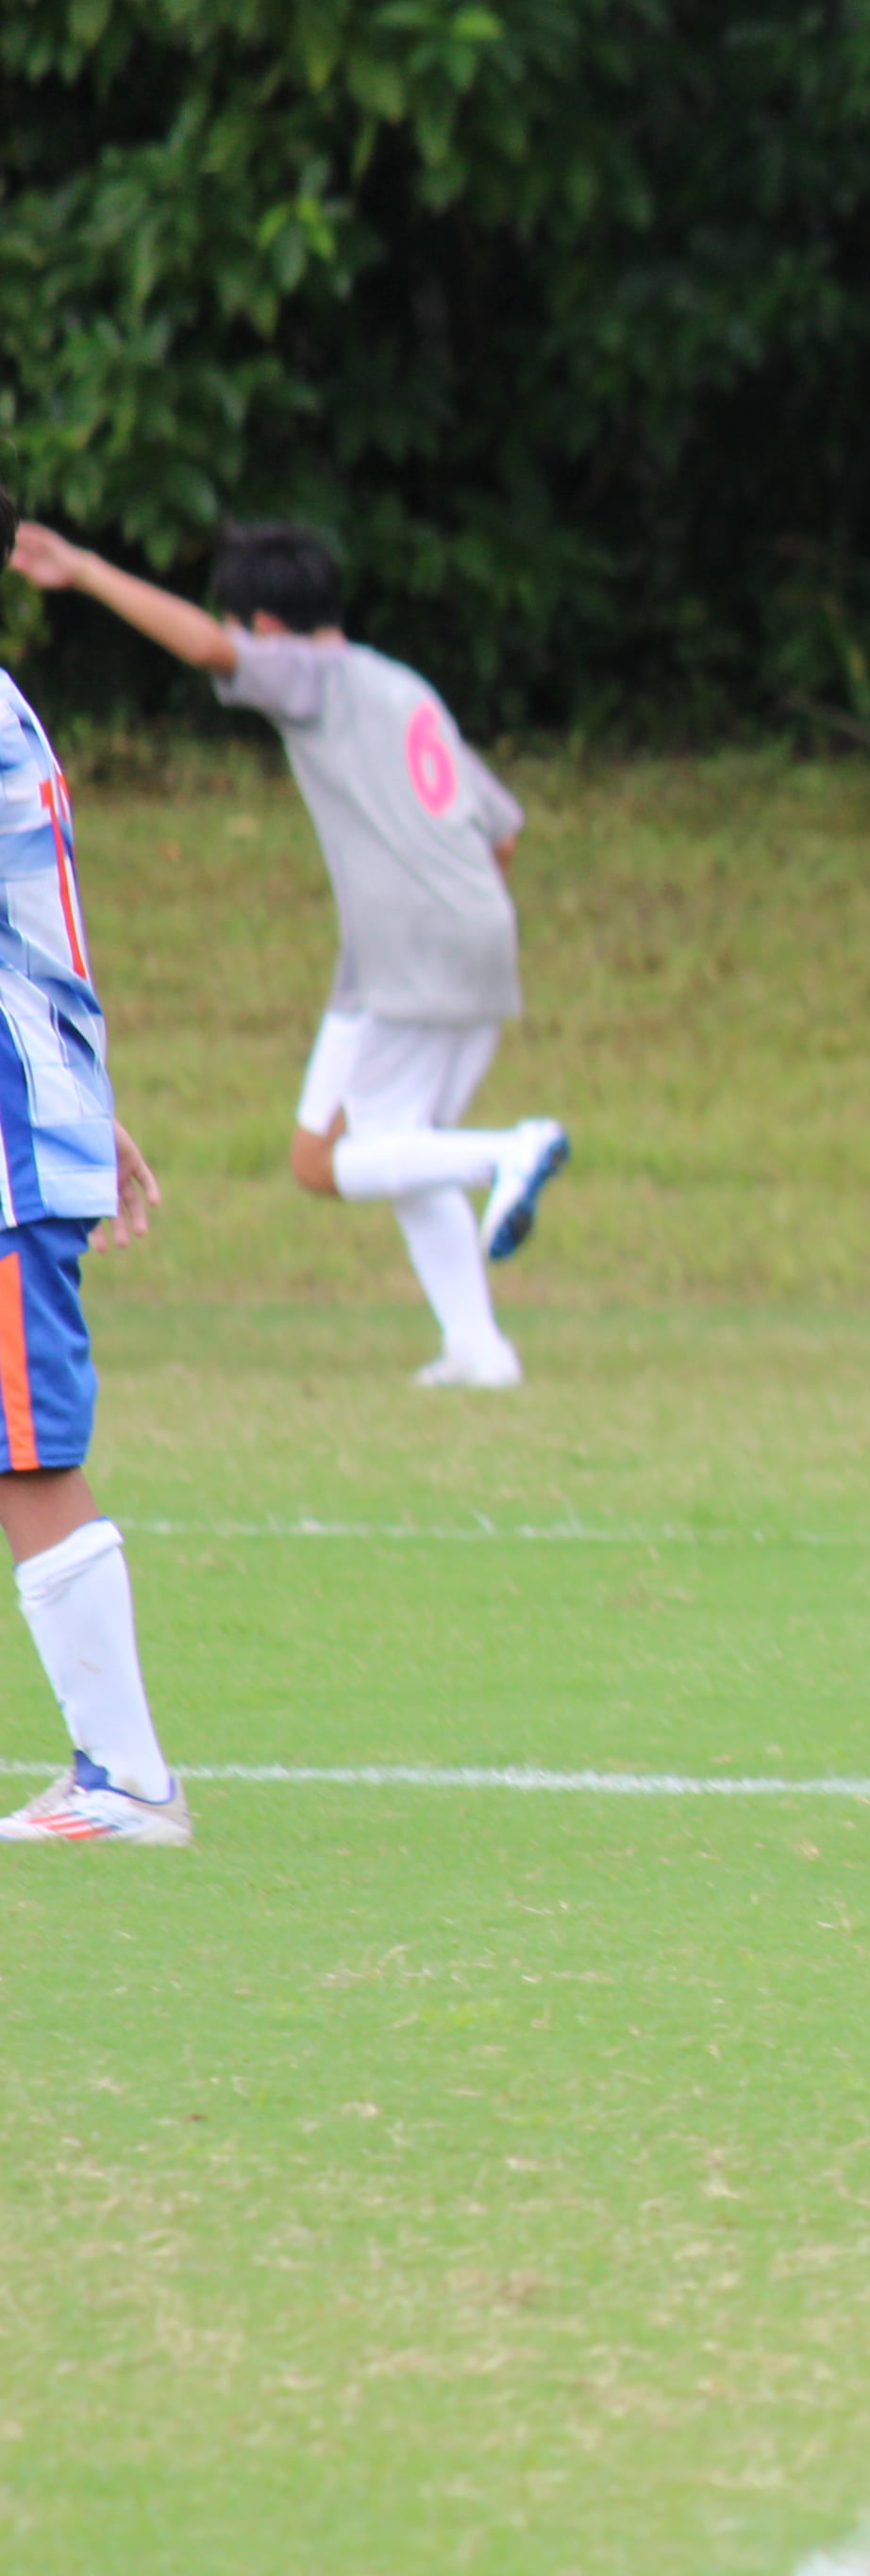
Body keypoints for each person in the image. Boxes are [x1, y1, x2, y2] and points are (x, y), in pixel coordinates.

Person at [7, 518, 567, 1389]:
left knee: (321, 1158)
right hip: (481, 930)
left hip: (404, 946)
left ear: (266, 626)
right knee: (399, 1145)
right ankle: (476, 1347)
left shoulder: (314, 673)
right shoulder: (402, 685)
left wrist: (83, 570)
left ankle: (506, 1154)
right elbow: (505, 831)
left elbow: (207, 647)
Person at [0, 597, 192, 1845]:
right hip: (34, 1105)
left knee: (26, 1455)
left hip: (6, 1142)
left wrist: (70, 1109)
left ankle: (127, 1780)